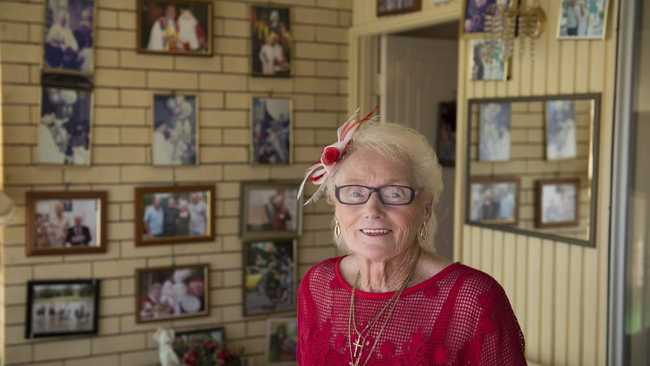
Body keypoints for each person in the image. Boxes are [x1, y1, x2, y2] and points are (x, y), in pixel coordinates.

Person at [296, 111, 526, 365]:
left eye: (395, 193)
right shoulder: (317, 285)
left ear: (425, 208)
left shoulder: (472, 299)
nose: (372, 210)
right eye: (354, 192)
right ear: (335, 204)